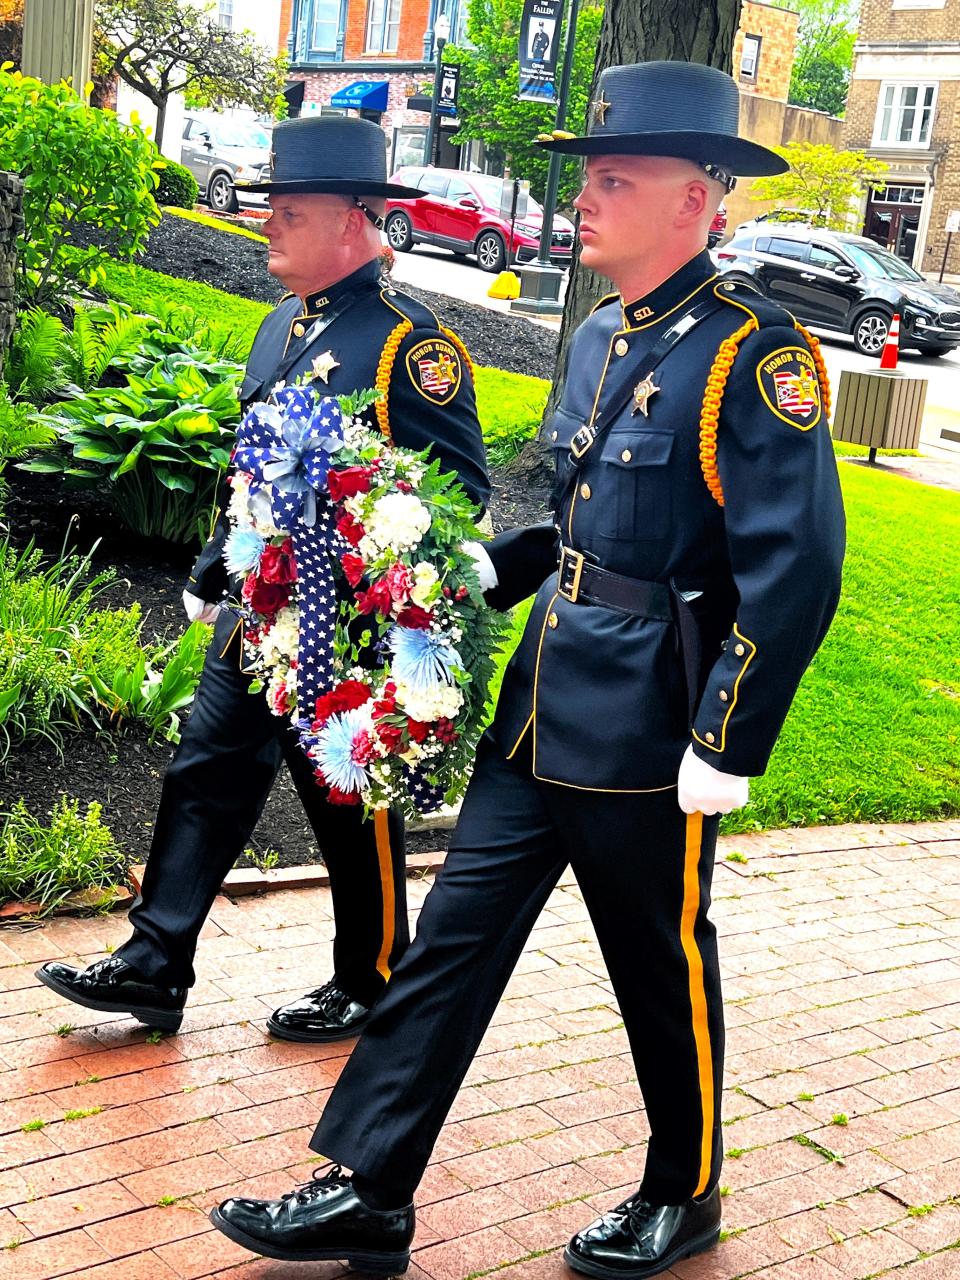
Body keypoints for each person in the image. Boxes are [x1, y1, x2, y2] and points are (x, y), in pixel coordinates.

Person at [210, 61, 846, 1279]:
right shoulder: (602, 331)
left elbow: (795, 569)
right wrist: (469, 570)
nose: (586, 199)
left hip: (652, 724)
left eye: (615, 177)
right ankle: (369, 1184)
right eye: (588, 176)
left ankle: (685, 1187)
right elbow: (582, 518)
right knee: (449, 943)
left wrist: (728, 737)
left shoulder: (757, 357)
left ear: (699, 201)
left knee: (657, 964)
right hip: (541, 706)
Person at [36, 117, 490, 1044]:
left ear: (358, 219)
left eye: (289, 210)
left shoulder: (414, 348)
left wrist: (358, 538)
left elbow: (461, 492)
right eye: (266, 208)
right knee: (205, 769)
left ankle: (370, 980)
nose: (269, 225)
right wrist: (215, 567)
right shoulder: (283, 322)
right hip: (260, 606)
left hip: (345, 624)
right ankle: (155, 965)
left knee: (344, 801)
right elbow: (252, 470)